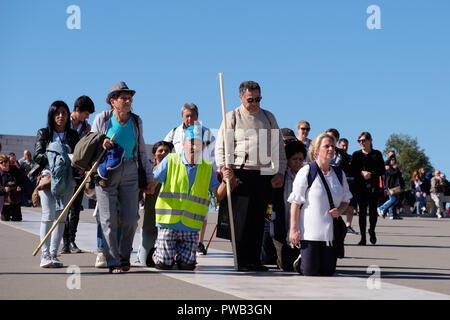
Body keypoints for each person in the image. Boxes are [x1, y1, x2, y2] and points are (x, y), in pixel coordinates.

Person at [215, 80, 287, 272]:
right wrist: (225, 169)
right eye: (250, 99)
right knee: (241, 221)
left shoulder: (268, 117)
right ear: (241, 98)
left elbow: (278, 147)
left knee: (257, 219)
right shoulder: (232, 117)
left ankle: (255, 260)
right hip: (239, 171)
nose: (255, 103)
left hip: (263, 173)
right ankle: (242, 260)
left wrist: (280, 171)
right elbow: (221, 147)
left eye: (258, 99)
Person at [91, 81, 155, 274]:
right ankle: (112, 261)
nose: (128, 101)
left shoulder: (136, 121)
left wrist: (149, 177)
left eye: (129, 98)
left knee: (131, 218)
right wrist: (102, 143)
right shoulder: (102, 119)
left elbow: (142, 150)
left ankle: (124, 257)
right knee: (108, 219)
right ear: (112, 101)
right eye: (123, 98)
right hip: (106, 171)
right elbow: (90, 144)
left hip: (130, 168)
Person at [152, 125, 233, 270]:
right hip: (168, 222)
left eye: (197, 143)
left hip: (191, 226)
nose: (193, 146)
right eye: (190, 142)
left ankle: (176, 254)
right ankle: (156, 252)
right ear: (183, 143)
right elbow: (151, 184)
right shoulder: (170, 160)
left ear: (202, 146)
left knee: (187, 266)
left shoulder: (207, 168)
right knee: (163, 264)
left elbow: (219, 194)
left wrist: (226, 181)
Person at [288, 133, 352, 276]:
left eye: (333, 147)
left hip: (330, 235)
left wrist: (339, 210)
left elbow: (346, 199)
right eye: (326, 146)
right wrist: (293, 229)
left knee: (327, 271)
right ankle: (300, 261)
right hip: (309, 234)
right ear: (316, 150)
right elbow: (295, 202)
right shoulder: (307, 171)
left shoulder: (339, 173)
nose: (331, 149)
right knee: (310, 271)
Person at [163, 102, 215, 255]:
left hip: (200, 174)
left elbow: (214, 155)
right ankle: (177, 242)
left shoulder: (207, 134)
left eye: (193, 115)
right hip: (178, 176)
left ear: (197, 116)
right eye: (187, 115)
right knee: (179, 210)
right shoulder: (174, 133)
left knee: (200, 210)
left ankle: (199, 243)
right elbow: (164, 150)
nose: (190, 118)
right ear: (182, 117)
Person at [32, 100, 79, 268]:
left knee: (61, 218)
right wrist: (57, 155)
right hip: (47, 179)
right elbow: (38, 156)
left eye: (64, 113)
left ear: (68, 116)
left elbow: (78, 157)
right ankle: (44, 254)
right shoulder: (44, 133)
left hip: (67, 181)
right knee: (48, 215)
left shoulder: (73, 135)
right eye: (57, 113)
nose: (60, 116)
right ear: (51, 116)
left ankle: (54, 254)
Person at [61, 95, 96, 254]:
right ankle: (64, 242)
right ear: (77, 110)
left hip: (80, 171)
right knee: (64, 208)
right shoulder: (63, 123)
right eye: (86, 113)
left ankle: (72, 240)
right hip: (64, 170)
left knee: (76, 208)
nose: (87, 117)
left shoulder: (87, 128)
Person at [270, 139, 307, 270]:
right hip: (281, 224)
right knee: (285, 265)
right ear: (287, 160)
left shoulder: (307, 175)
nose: (298, 162)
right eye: (294, 159)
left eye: (300, 159)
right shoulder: (280, 176)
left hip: (300, 226)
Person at [137, 140, 173, 266]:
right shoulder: (148, 174)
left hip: (168, 223)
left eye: (167, 151)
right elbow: (138, 195)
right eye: (160, 151)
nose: (164, 153)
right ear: (154, 155)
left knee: (166, 261)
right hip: (150, 222)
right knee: (145, 260)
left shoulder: (175, 174)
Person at [350, 132, 385, 246]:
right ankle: (363, 237)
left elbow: (382, 170)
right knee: (362, 213)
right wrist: (361, 173)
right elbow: (352, 170)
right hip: (360, 187)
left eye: (364, 140)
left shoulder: (377, 154)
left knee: (373, 212)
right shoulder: (356, 155)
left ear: (370, 140)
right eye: (359, 141)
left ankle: (372, 230)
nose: (362, 143)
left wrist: (371, 174)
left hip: (373, 187)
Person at [326, 131, 358, 235]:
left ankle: (347, 226)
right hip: (325, 181)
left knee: (348, 204)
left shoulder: (342, 154)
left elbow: (352, 167)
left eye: (334, 137)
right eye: (329, 136)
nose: (331, 138)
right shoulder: (320, 149)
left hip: (340, 182)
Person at [0, 154, 26, 221]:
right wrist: (3, 189)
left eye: (5, 161)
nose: (4, 163)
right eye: (1, 162)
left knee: (17, 219)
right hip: (4, 199)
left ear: (8, 162)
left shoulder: (14, 169)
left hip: (15, 198)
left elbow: (23, 180)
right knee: (5, 219)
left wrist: (20, 186)